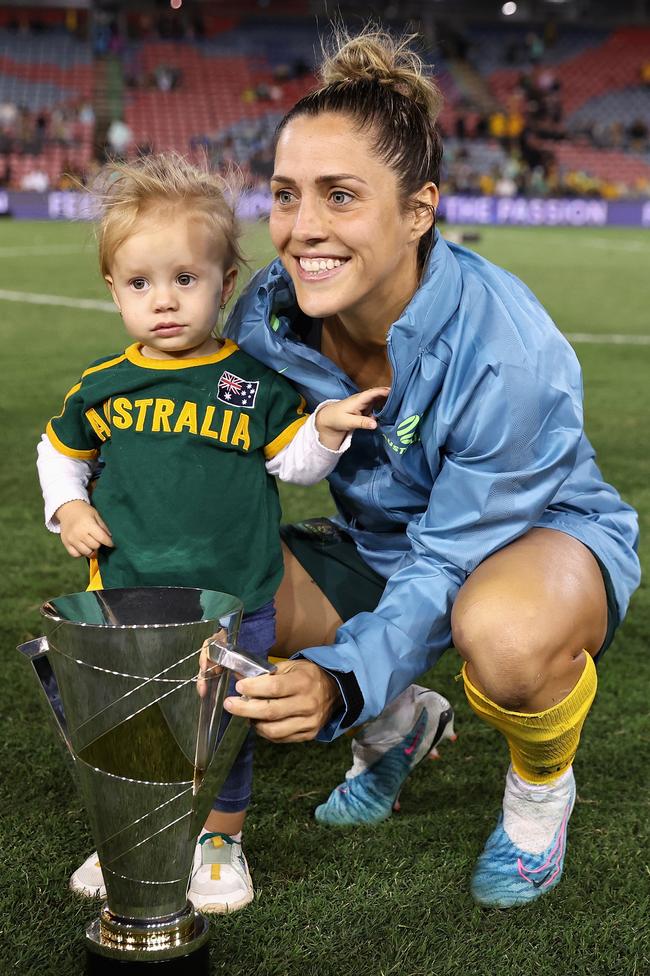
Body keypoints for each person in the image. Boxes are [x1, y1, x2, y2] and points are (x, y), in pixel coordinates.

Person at [212, 27, 640, 909]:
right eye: (286, 196)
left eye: (340, 197)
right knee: (223, 574)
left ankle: (538, 796)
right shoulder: (266, 317)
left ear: (420, 210)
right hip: (380, 542)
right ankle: (401, 726)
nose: (302, 231)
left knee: (505, 636)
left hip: (530, 541)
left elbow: (447, 558)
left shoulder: (508, 352)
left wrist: (339, 681)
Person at [36, 153, 388, 914]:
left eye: (185, 280)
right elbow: (59, 450)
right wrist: (66, 508)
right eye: (140, 284)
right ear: (113, 289)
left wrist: (321, 429)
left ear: (226, 283)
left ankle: (222, 837)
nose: (163, 302)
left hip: (236, 595)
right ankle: (133, 827)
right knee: (135, 721)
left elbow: (291, 464)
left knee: (225, 722)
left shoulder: (252, 385)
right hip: (127, 597)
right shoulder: (102, 386)